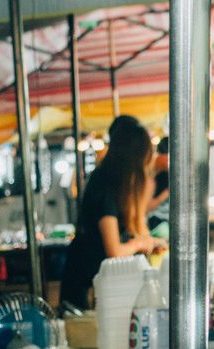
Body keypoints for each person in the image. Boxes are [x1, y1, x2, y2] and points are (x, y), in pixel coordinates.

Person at [58, 115, 162, 311]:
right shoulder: (105, 186)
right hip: (88, 285)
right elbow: (114, 251)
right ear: (133, 159)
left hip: (100, 282)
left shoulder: (114, 184)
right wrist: (139, 243)